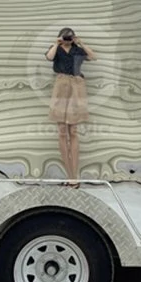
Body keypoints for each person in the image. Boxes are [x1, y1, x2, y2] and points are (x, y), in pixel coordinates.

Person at [46, 27, 96, 187]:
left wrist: (80, 42)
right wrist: (56, 43)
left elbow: (93, 57)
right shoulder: (56, 49)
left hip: (76, 86)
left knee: (73, 131)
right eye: (65, 37)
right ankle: (70, 175)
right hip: (61, 86)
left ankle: (74, 175)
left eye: (69, 37)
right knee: (62, 131)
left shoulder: (77, 50)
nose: (67, 39)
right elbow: (49, 57)